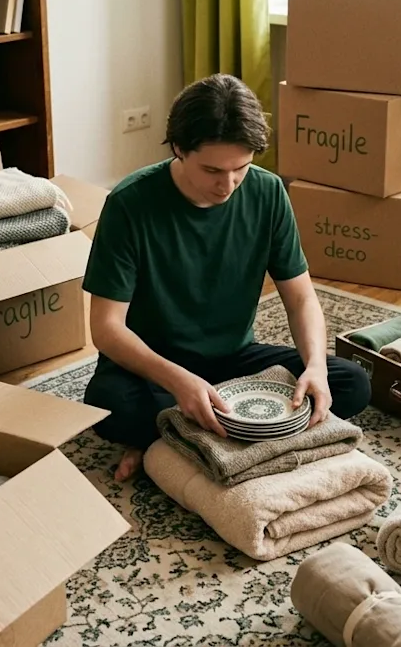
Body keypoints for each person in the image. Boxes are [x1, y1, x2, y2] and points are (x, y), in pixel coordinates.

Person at [82, 73, 372, 481]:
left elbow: (302, 299)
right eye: (213, 170)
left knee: (351, 382)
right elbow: (106, 329)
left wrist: (315, 369)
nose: (228, 184)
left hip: (233, 361)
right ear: (179, 148)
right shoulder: (130, 203)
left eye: (242, 168)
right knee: (110, 406)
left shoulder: (268, 193)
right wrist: (179, 382)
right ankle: (226, 437)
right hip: (155, 368)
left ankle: (177, 441)